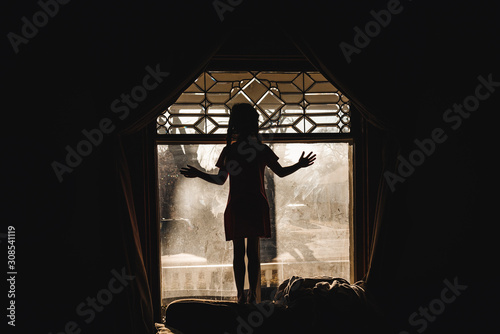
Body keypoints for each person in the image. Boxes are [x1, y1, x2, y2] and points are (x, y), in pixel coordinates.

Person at [180, 103, 316, 304]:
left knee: (239, 254)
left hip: (237, 205)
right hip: (255, 204)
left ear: (234, 125)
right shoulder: (260, 149)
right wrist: (299, 165)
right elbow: (281, 172)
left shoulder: (231, 151)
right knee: (253, 254)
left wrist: (198, 174)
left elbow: (220, 180)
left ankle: (241, 297)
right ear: (254, 124)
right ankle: (252, 296)